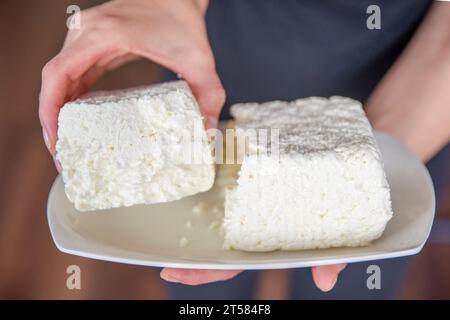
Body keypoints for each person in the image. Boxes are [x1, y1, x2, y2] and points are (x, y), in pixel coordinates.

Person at [39, 0, 450, 298]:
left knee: (348, 286)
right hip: (214, 60)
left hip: (406, 99)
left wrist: (364, 169)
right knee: (201, 281)